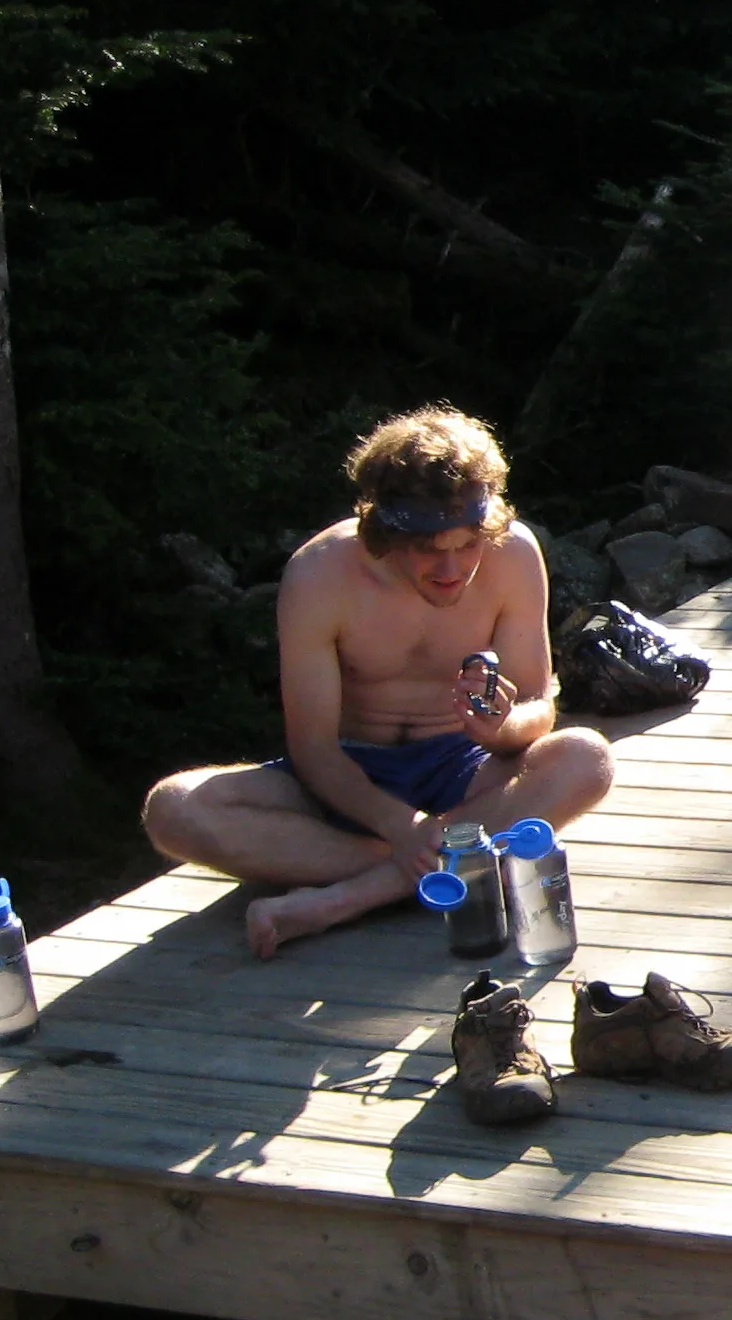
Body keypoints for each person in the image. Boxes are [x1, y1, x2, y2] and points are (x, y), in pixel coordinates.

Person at [143, 408, 614, 958]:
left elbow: (538, 706)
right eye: (428, 549)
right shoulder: (319, 572)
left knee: (586, 757)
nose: (451, 569)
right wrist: (402, 827)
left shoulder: (514, 553)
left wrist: (501, 726)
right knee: (173, 808)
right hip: (348, 776)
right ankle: (458, 860)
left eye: (467, 546)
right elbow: (314, 750)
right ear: (383, 531)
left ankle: (352, 897)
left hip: (463, 771)